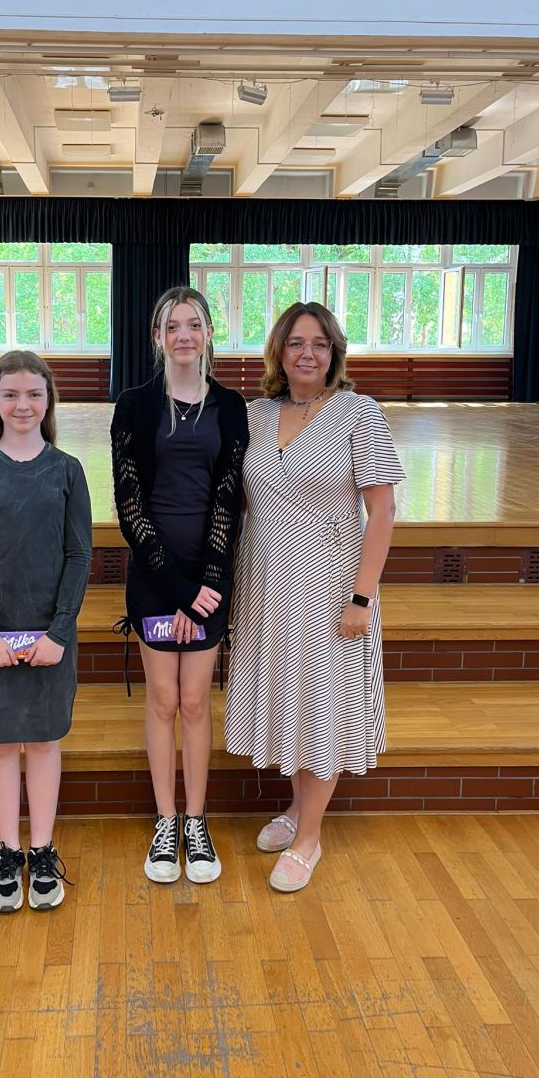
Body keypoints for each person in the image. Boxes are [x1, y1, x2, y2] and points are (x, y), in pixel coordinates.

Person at [225, 302, 404, 893]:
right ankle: (298, 807)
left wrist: (362, 597)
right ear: (278, 351)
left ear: (334, 353)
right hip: (265, 586)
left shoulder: (358, 413)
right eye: (296, 342)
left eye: (320, 344)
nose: (307, 353)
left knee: (324, 708)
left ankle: (309, 838)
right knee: (289, 704)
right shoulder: (254, 415)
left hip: (330, 589)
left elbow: (383, 511)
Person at [111, 286, 248, 885]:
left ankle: (196, 819)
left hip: (209, 576)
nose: (184, 335)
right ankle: (165, 821)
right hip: (154, 576)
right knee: (163, 699)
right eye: (173, 326)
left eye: (194, 324)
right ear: (157, 337)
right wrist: (177, 588)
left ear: (208, 333)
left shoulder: (231, 406)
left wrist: (208, 583)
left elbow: (228, 498)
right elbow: (129, 503)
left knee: (196, 701)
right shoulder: (133, 405)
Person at [0, 351, 91, 912]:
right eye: (11, 394)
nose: (23, 404)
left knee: (45, 741)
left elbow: (79, 555)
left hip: (50, 636)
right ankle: (7, 851)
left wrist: (59, 632)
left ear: (49, 400)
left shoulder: (67, 470)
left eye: (34, 394)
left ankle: (42, 849)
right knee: (3, 744)